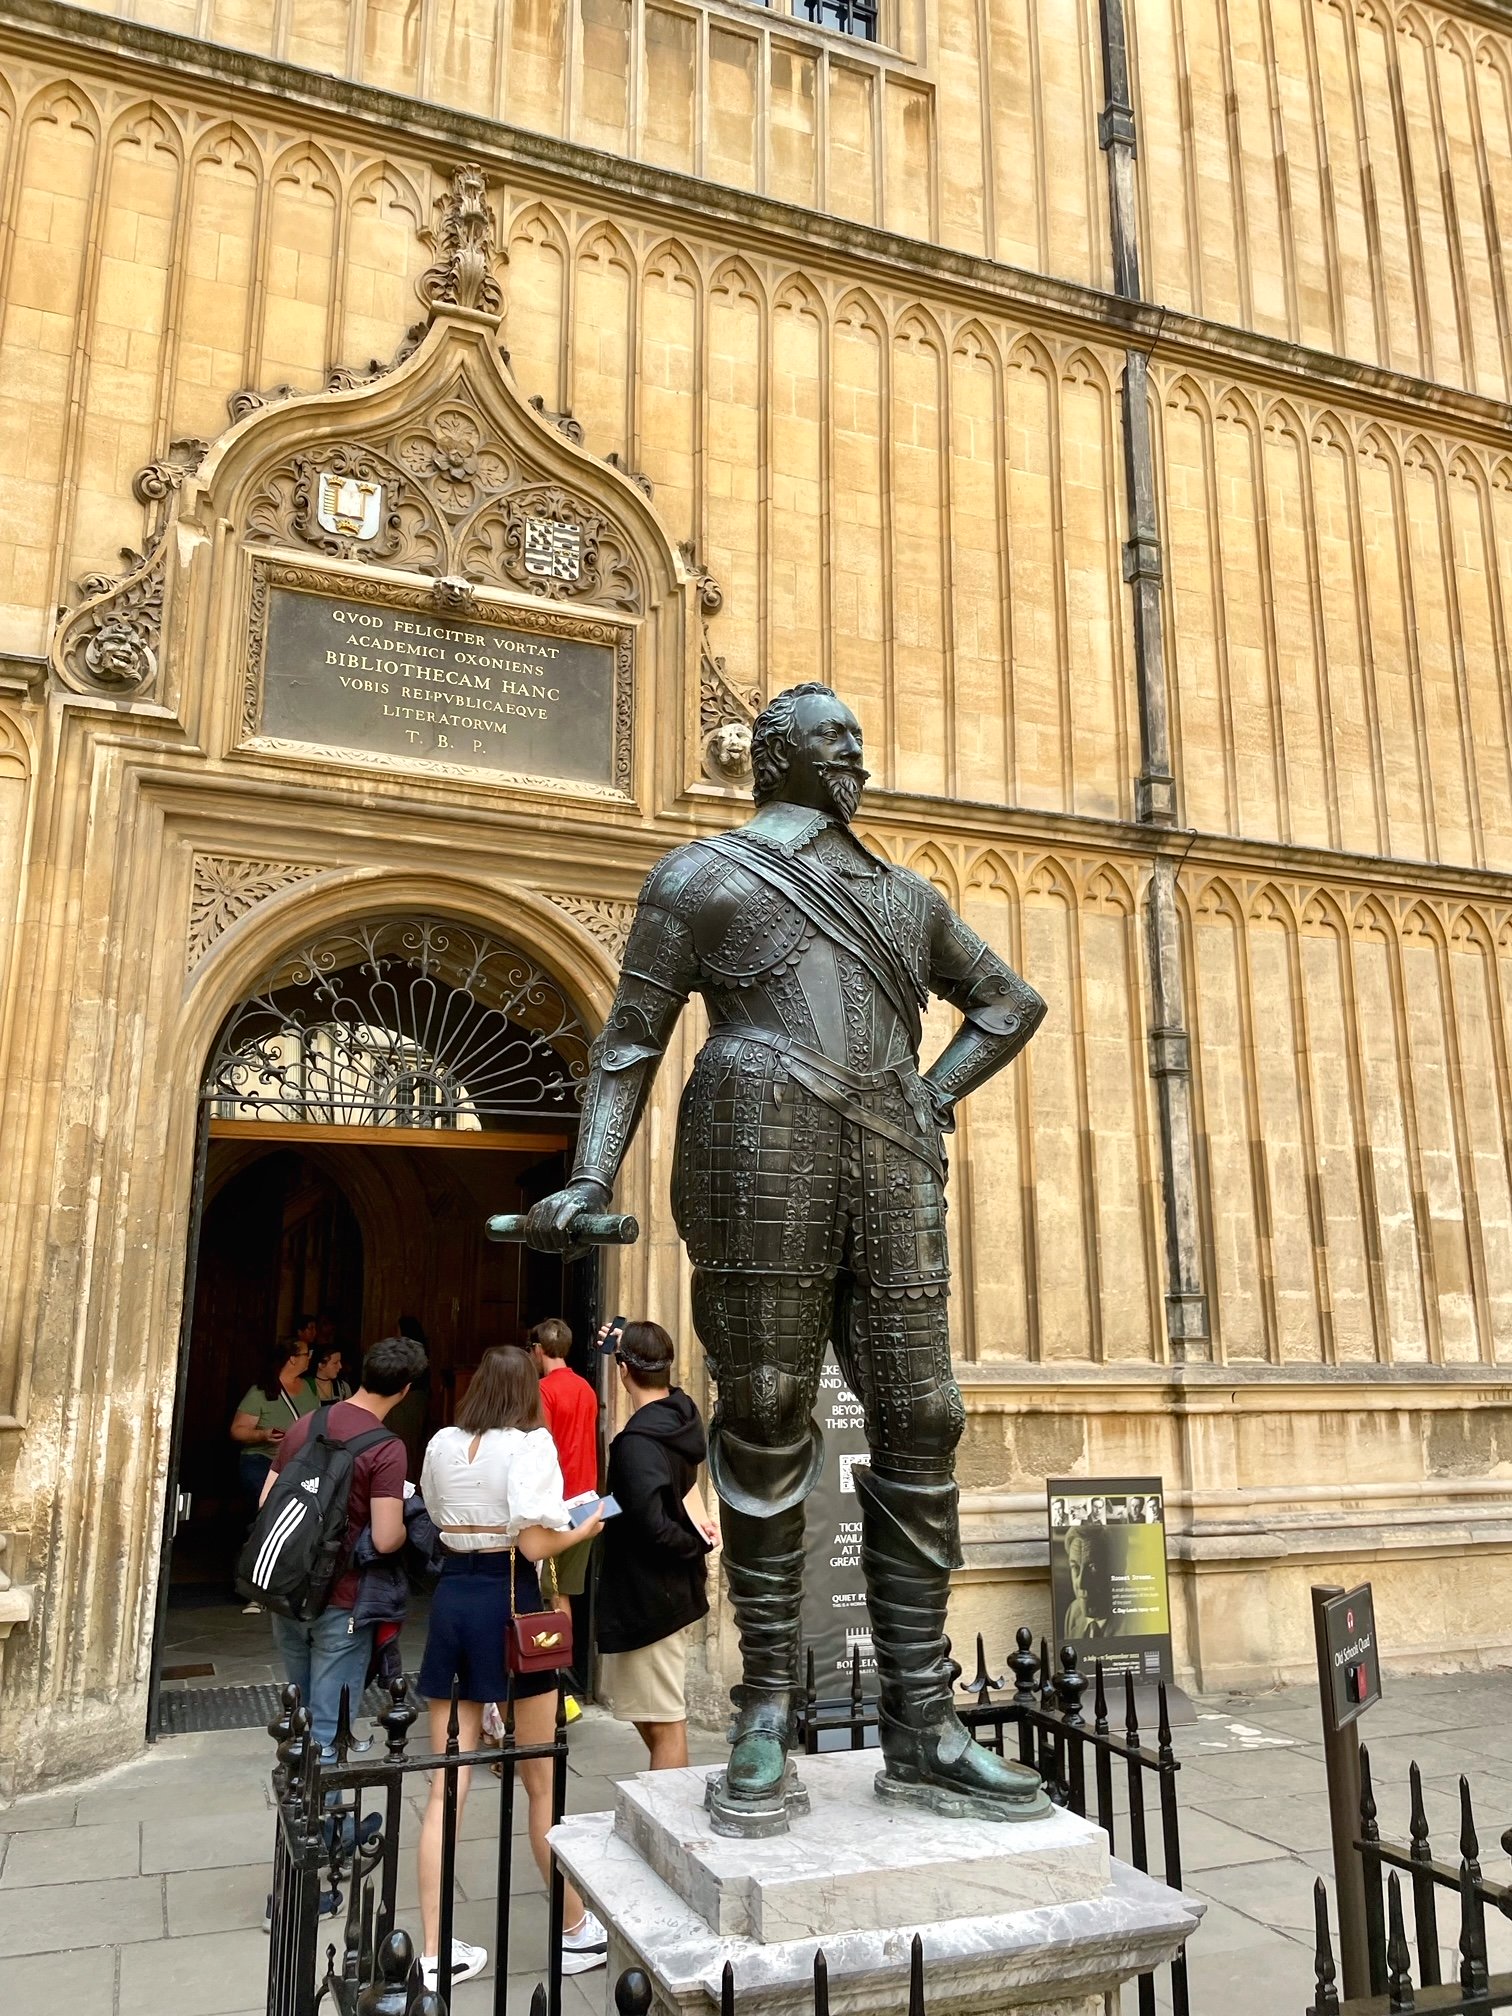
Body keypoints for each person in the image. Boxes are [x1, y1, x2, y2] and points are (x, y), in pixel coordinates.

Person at [524, 681, 1050, 1829]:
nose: (857, 754)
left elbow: (1011, 1003)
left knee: (925, 1412)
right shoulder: (703, 878)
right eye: (833, 739)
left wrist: (931, 1089)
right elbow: (628, 1043)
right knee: (763, 1407)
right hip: (754, 1137)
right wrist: (587, 1176)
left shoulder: (906, 898)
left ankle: (923, 1718)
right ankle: (765, 1705)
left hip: (891, 1153)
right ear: (773, 757)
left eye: (861, 737)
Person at [414, 1345, 608, 1993]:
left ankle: (434, 1952)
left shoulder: (442, 1441)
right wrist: (585, 1526)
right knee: (539, 1776)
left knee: (448, 1782)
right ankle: (575, 1929)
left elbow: (440, 1517)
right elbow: (533, 1543)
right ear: (527, 1390)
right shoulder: (529, 1447)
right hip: (511, 1598)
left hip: (454, 1599)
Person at [259, 1334, 425, 1748]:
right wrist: (410, 1516)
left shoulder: (308, 1424)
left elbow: (266, 1501)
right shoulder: (386, 1447)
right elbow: (386, 1540)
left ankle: (299, 1808)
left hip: (289, 1590)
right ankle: (331, 1813)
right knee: (330, 1727)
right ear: (405, 1389)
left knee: (300, 1716)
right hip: (343, 1596)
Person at [595, 1322, 715, 1771]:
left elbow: (652, 1526)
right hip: (663, 1590)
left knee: (664, 1725)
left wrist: (694, 1542)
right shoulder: (680, 1411)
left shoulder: (637, 1444)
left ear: (623, 1370)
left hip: (649, 1596)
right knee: (651, 1716)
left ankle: (669, 1823)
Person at [230, 1328, 319, 1614]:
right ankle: (256, 1589)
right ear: (292, 1359)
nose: (310, 1358)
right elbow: (237, 1430)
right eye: (307, 1354)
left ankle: (286, 1585)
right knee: (268, 1520)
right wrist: (264, 1434)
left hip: (298, 1467)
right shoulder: (261, 1391)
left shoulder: (308, 1389)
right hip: (261, 1463)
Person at [527, 1318, 599, 1622]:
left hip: (557, 1503)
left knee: (547, 1592)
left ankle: (547, 1666)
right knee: (562, 1593)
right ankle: (561, 1664)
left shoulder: (543, 1390)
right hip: (588, 1500)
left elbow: (542, 1450)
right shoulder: (586, 1388)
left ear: (539, 1350)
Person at [1062, 1524, 1131, 1640]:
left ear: (1119, 1567)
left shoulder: (1142, 1620)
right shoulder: (1073, 1612)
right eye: (1075, 1567)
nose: (1081, 1583)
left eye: (1093, 1567)